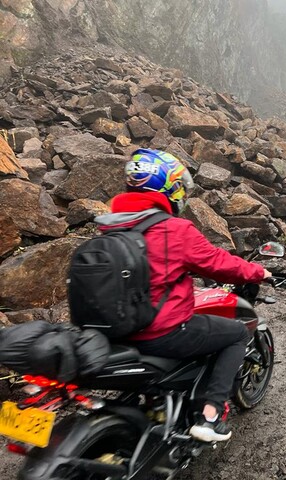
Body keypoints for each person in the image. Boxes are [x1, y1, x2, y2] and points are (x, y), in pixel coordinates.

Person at [94, 148, 272, 443]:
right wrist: (258, 272)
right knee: (237, 334)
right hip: (158, 332)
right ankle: (211, 415)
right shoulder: (173, 229)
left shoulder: (110, 226)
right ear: (167, 188)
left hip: (113, 330)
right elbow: (219, 264)